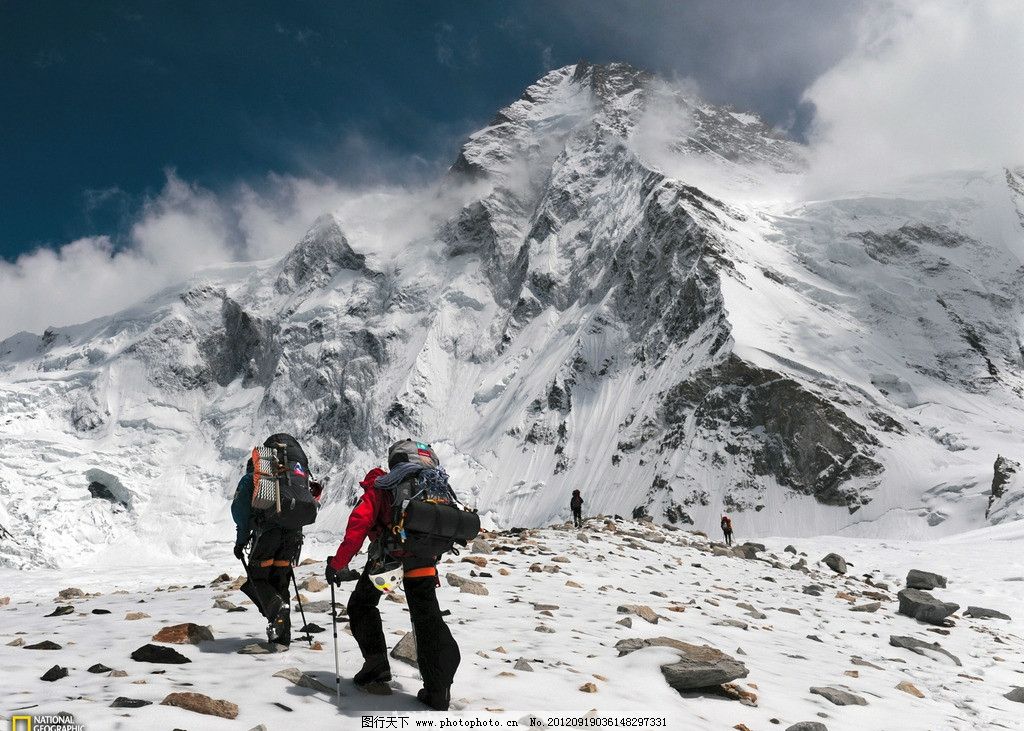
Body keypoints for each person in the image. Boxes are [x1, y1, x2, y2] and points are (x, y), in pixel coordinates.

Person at [325, 444, 461, 711]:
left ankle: (376, 666)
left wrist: (337, 564)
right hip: (423, 561)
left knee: (362, 605)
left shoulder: (382, 486)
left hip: (388, 561)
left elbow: (358, 527)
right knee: (427, 617)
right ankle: (438, 688)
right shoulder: (430, 484)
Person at [231, 433, 318, 649]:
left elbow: (240, 513)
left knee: (258, 578)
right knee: (281, 581)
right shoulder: (297, 476)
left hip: (267, 536)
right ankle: (281, 638)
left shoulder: (253, 479)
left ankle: (275, 609)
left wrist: (240, 542)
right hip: (293, 538)